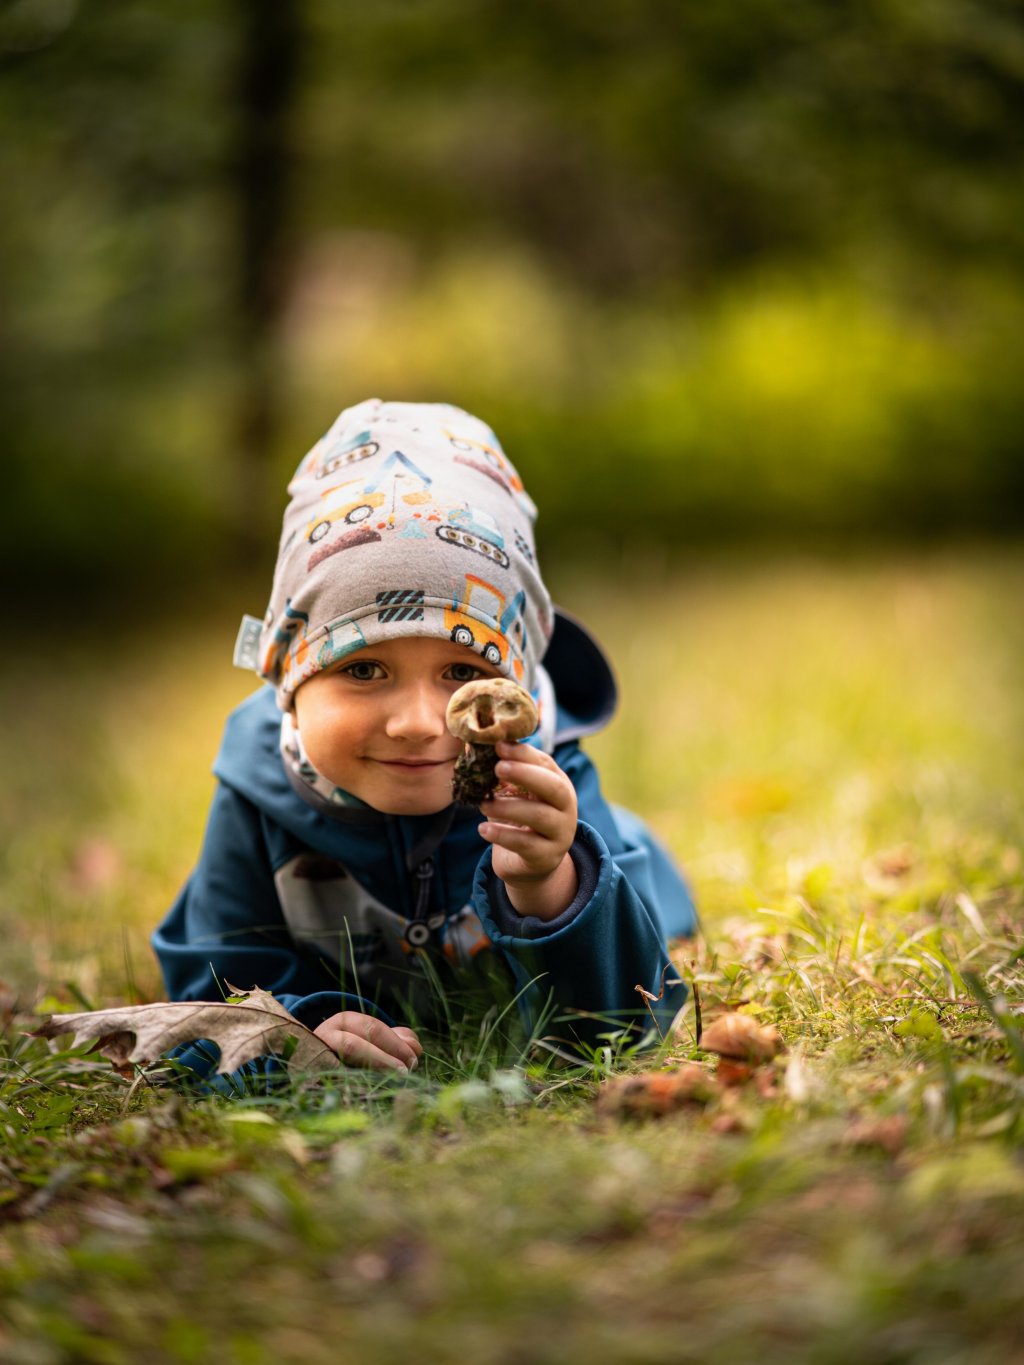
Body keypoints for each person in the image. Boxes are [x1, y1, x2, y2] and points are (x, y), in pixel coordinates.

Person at [153, 399, 696, 1075]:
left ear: (517, 680)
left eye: (464, 671)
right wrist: (305, 1025)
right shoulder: (256, 794)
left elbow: (621, 1025)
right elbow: (212, 985)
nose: (416, 722)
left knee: (628, 866)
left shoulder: (544, 785)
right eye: (363, 667)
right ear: (289, 678)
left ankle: (639, 859)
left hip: (614, 877)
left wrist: (550, 879)